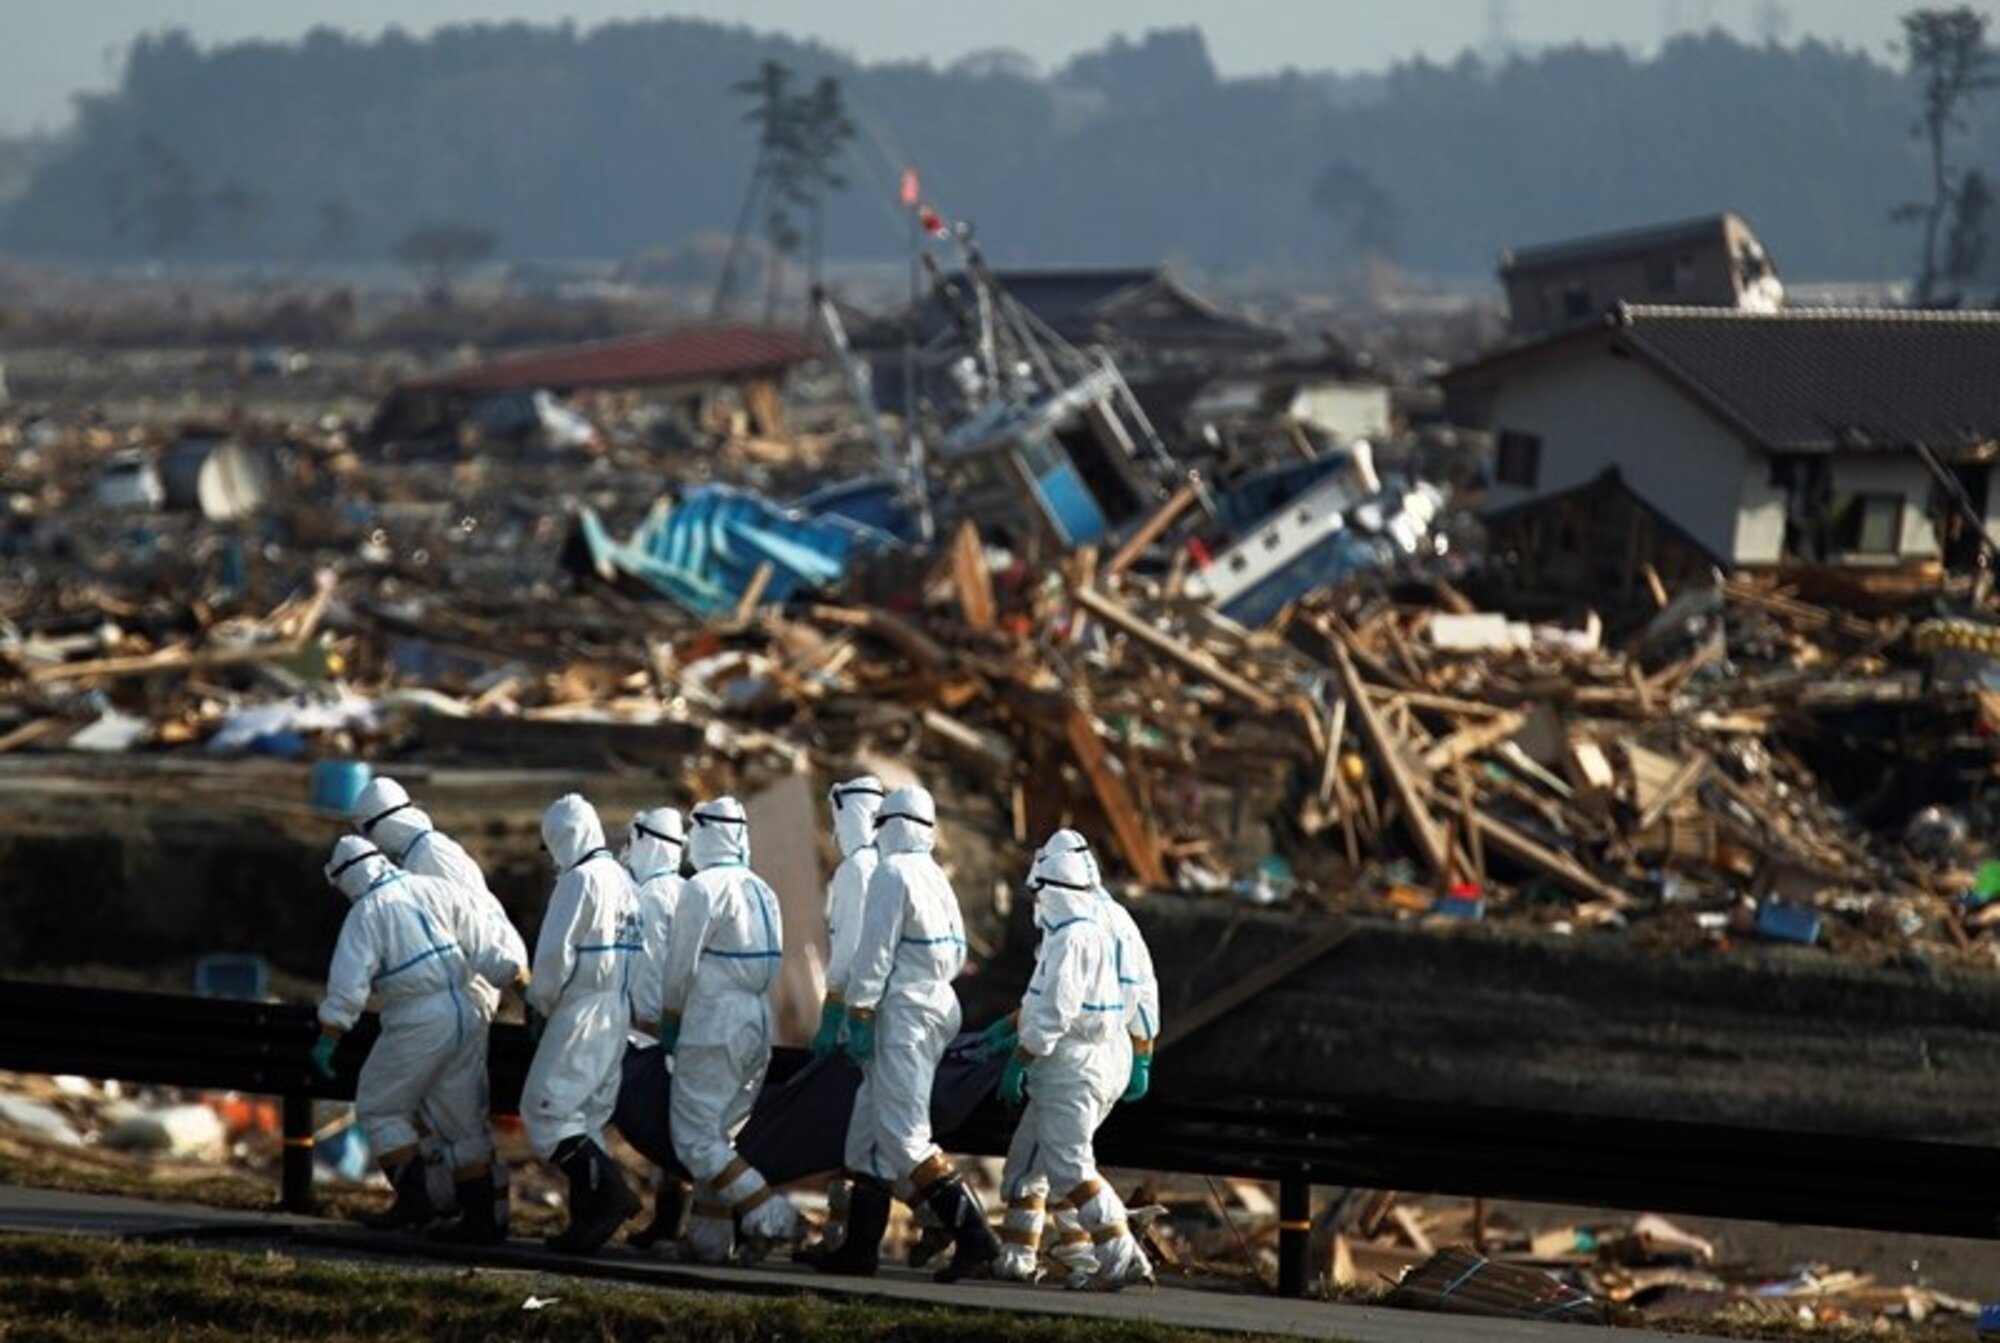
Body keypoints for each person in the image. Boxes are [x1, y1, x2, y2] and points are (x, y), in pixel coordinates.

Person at [816, 783, 999, 1282]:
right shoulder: (934, 875)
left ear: (887, 824)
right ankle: (858, 1248)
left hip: (904, 1011)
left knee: (903, 1135)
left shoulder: (891, 874)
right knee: (867, 1136)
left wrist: (858, 1013)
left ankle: (977, 1238)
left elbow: (874, 956)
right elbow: (959, 951)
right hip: (936, 1000)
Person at [311, 835, 525, 1241]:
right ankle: (482, 1221)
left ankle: (416, 1204)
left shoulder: (366, 914)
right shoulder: (434, 887)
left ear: (348, 876)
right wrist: (524, 992)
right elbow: (489, 946)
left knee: (380, 1107)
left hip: (418, 1017)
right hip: (466, 1008)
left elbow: (348, 988)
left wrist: (330, 1034)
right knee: (463, 1123)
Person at [991, 841, 1152, 1290]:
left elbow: (1052, 1011)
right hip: (1079, 1062)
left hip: (1070, 1067)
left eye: (1040, 892)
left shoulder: (1069, 939)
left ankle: (1119, 1253)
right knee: (1027, 1163)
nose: (1037, 903)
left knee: (1069, 1166)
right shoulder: (1096, 930)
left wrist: (1019, 1059)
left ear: (1053, 889)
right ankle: (1019, 1255)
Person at [657, 796, 799, 1265]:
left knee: (695, 1139)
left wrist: (672, 1017)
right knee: (721, 1137)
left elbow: (680, 966)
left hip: (713, 1020)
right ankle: (709, 1240)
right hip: (757, 1021)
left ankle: (771, 1215)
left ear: (704, 832)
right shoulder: (763, 889)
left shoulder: (702, 888)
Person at [521, 793, 644, 1254]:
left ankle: (614, 1196)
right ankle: (586, 1225)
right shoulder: (623, 880)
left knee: (545, 1113)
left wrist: (539, 1003)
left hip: (583, 1009)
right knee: (585, 1117)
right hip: (617, 1009)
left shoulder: (579, 881)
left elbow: (554, 956)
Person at [797, 775, 884, 1266]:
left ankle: (850, 1243)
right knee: (862, 1134)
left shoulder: (858, 870)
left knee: (867, 1135)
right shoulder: (888, 866)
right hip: (876, 1011)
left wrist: (833, 1009)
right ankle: (842, 1239)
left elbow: (850, 948)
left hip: (861, 1011)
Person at [621, 805, 690, 1251]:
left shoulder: (649, 897)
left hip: (656, 1025)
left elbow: (650, 968)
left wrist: (644, 1020)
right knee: (688, 1125)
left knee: (665, 1125)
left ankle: (667, 1224)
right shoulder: (689, 889)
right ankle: (671, 1222)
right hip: (693, 1021)